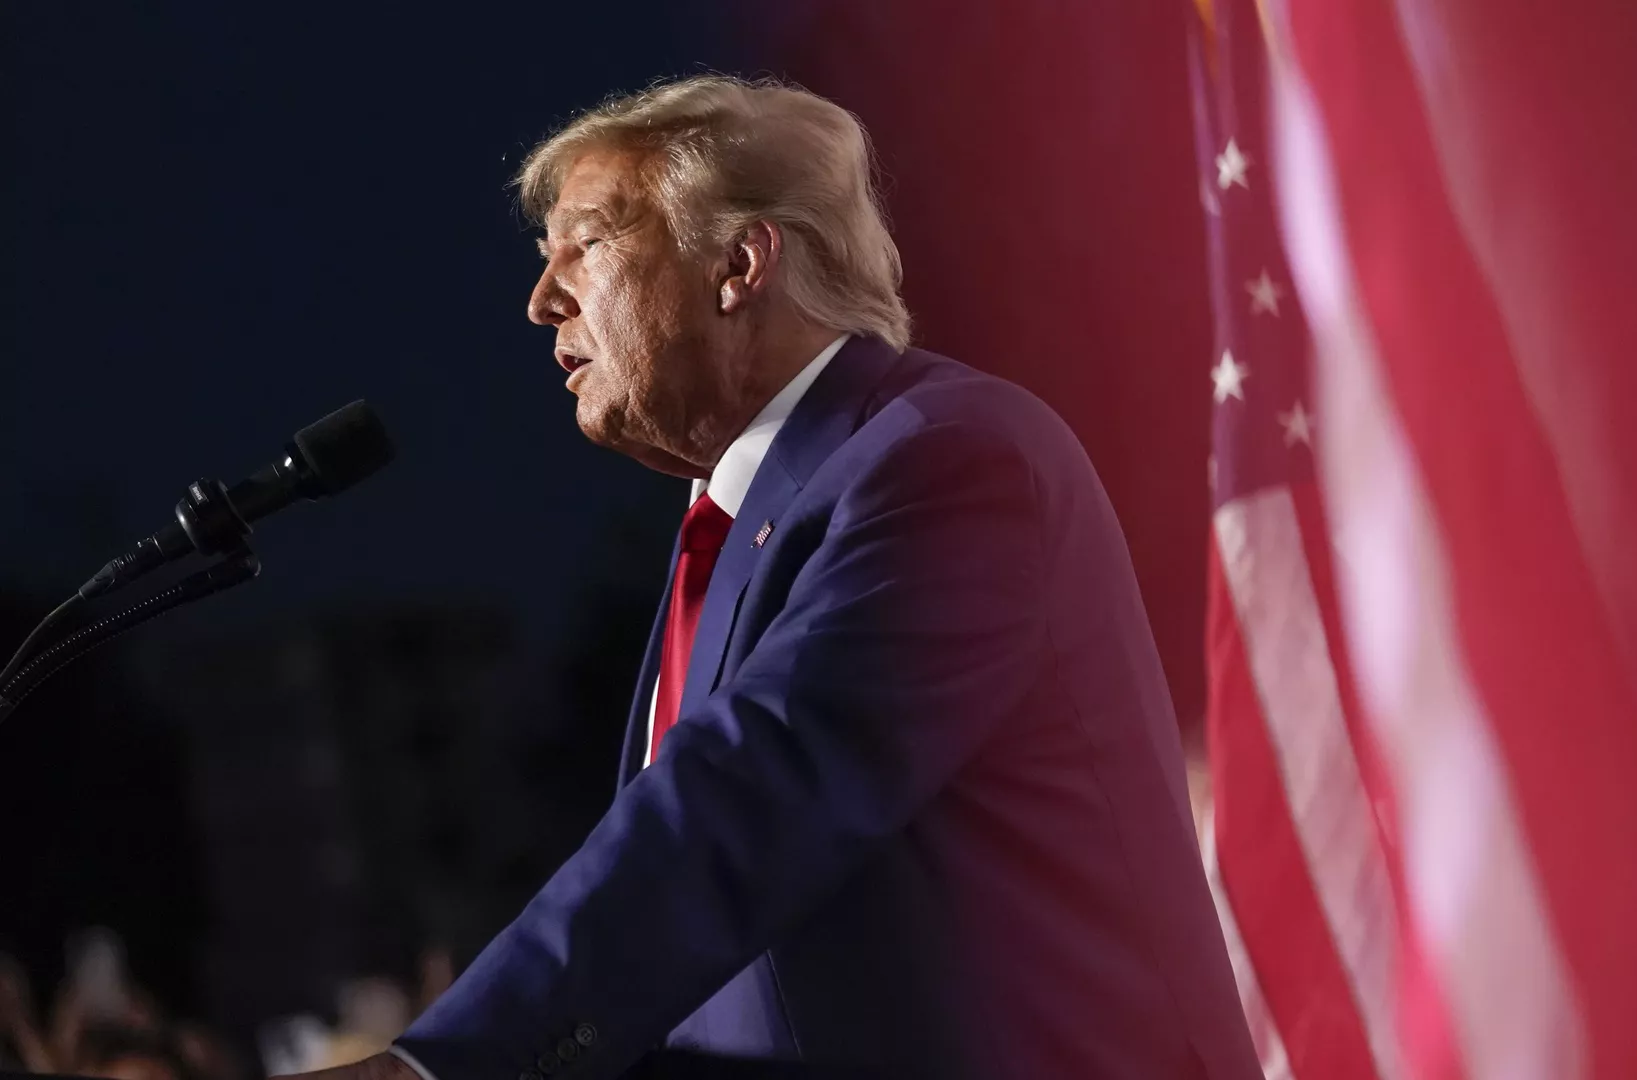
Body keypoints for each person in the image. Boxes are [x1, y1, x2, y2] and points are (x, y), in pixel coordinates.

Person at [286, 75, 1260, 1079]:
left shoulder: (949, 457)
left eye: (584, 242)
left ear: (739, 262)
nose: (542, 301)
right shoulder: (724, 531)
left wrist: (442, 1065)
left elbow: (750, 793)